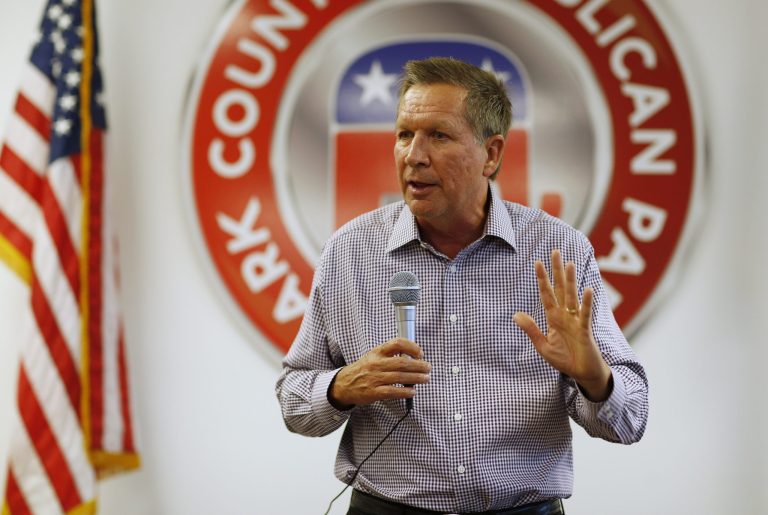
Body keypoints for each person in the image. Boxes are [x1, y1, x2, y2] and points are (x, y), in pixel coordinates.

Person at [276, 57, 648, 515]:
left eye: (438, 135)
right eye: (404, 134)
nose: (413, 155)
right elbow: (293, 402)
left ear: (491, 154)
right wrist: (340, 386)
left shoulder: (558, 253)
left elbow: (630, 421)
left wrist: (593, 377)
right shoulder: (349, 252)